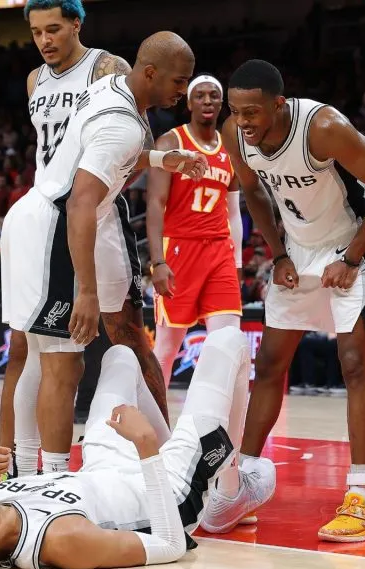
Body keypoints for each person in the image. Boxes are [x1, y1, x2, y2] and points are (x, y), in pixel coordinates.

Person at [0, 31, 206, 477]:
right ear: (150, 73)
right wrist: (87, 292)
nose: (182, 91)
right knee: (64, 363)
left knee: (37, 355)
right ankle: (52, 481)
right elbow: (81, 201)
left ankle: (22, 470)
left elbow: (102, 156)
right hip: (56, 227)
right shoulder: (125, 124)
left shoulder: (110, 88)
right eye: (179, 80)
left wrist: (158, 160)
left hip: (33, 215)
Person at [217, 59, 365, 541]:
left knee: (354, 364)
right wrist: (277, 251)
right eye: (237, 112)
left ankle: (364, 497)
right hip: (297, 251)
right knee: (272, 363)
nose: (244, 122)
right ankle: (246, 483)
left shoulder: (323, 128)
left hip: (352, 243)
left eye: (253, 112)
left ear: (279, 105)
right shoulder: (237, 133)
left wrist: (352, 256)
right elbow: (252, 191)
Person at [0, 327, 273, 569]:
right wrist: (146, 444)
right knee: (227, 341)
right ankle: (228, 495)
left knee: (120, 357)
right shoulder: (61, 541)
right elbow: (170, 544)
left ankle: (180, 451)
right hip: (167, 494)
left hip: (105, 465)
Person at [0, 0, 150, 479]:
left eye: (54, 29)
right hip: (52, 217)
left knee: (127, 335)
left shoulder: (107, 67)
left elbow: (130, 150)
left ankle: (157, 453)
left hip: (96, 214)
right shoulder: (34, 81)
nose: (45, 40)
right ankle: (18, 469)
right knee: (29, 348)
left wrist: (165, 161)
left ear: (77, 24)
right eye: (36, 32)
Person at [146, 74, 243, 390]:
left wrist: (237, 263)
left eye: (214, 96)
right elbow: (156, 204)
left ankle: (211, 426)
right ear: (189, 103)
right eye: (200, 95)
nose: (207, 101)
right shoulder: (171, 143)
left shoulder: (231, 149)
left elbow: (234, 212)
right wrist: (157, 262)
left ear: (221, 103)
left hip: (219, 250)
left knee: (225, 344)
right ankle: (153, 423)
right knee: (167, 349)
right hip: (179, 250)